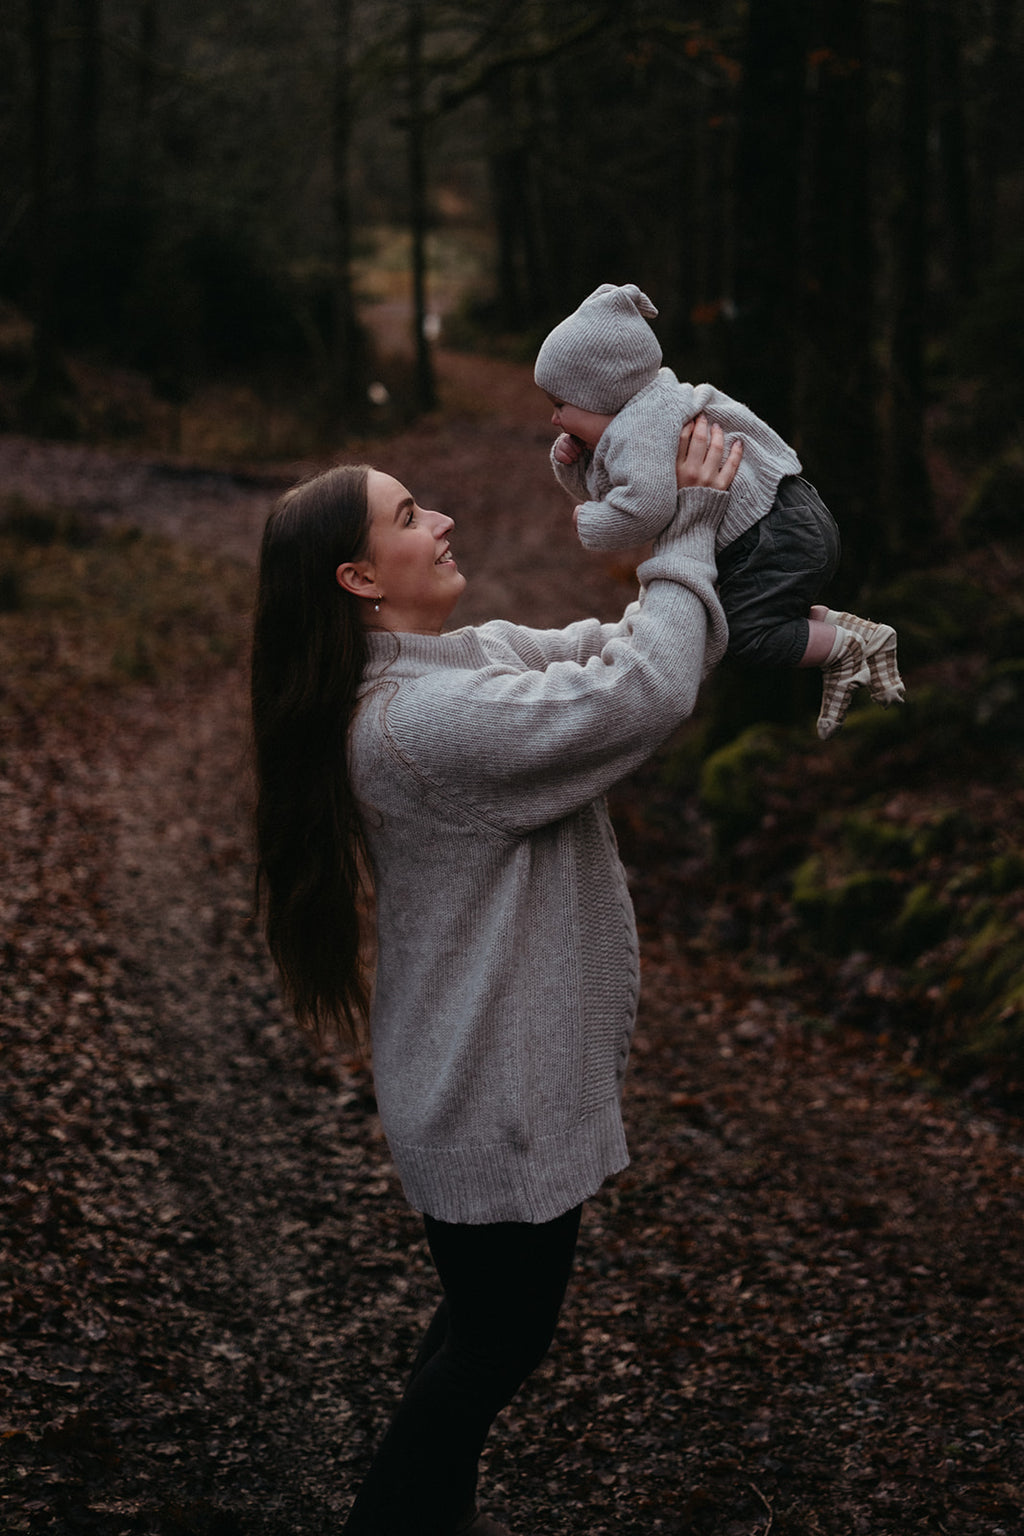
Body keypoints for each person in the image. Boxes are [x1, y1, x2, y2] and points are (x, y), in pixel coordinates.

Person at [250, 417, 742, 1536]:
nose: (445, 518)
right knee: (491, 1348)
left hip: (472, 1084)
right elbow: (640, 697)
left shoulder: (457, 666)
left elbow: (631, 652)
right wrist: (688, 528)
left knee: (474, 1337)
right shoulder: (422, 723)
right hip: (490, 1096)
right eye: (413, 513)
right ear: (360, 576)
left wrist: (653, 507)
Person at [534, 281, 906, 739]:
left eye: (560, 405)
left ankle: (844, 650)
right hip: (793, 514)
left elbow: (644, 508)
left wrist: (591, 525)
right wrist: (574, 461)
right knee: (752, 617)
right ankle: (868, 638)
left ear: (601, 395)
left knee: (740, 633)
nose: (554, 419)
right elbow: (611, 484)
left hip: (770, 535)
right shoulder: (653, 400)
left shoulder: (640, 430)